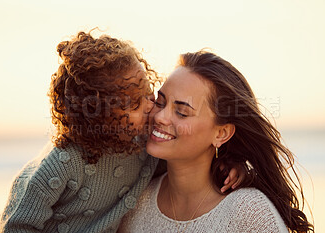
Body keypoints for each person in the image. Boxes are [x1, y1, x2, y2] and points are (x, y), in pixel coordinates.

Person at [0, 31, 242, 233]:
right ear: (98, 115)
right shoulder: (61, 163)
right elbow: (16, 224)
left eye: (148, 93)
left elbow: (186, 162)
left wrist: (229, 164)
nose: (151, 106)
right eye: (135, 103)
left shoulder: (145, 147)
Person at [119, 51, 314, 232]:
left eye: (182, 112)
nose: (160, 116)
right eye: (160, 102)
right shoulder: (133, 201)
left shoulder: (249, 214)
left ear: (221, 133)